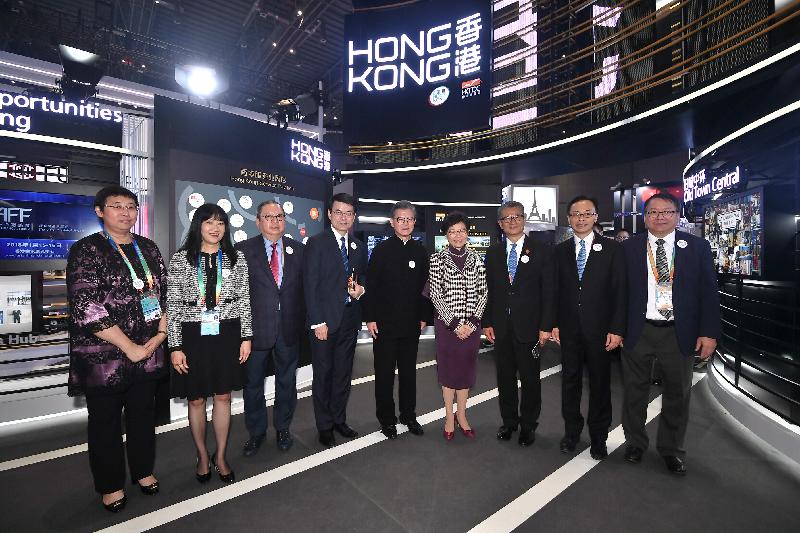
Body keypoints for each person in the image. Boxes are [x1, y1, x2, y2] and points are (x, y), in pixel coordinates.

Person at [66, 185, 167, 513]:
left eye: (131, 207)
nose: (126, 213)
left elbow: (164, 294)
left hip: (148, 350)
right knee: (105, 423)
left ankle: (142, 471)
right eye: (117, 206)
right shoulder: (86, 250)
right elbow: (86, 307)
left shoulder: (148, 249)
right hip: (104, 357)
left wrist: (162, 332)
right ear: (100, 211)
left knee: (142, 416)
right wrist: (129, 347)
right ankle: (110, 485)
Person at [621, 192, 720, 475]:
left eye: (666, 212)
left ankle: (671, 450)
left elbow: (708, 293)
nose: (660, 217)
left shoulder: (697, 247)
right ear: (645, 217)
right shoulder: (629, 248)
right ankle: (635, 443)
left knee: (678, 394)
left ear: (677, 216)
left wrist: (709, 332)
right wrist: (616, 329)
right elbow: (618, 293)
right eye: (653, 212)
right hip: (638, 330)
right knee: (634, 392)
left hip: (679, 332)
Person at [167, 203, 252, 484]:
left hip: (227, 333)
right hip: (192, 335)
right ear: (198, 226)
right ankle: (202, 455)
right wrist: (175, 346)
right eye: (209, 223)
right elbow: (174, 305)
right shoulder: (181, 260)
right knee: (196, 399)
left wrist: (246, 337)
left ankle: (221, 456)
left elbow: (244, 302)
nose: (215, 228)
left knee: (223, 396)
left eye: (220, 223)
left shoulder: (236, 258)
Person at [551, 196, 626, 460]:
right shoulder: (559, 252)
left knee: (600, 384)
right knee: (569, 383)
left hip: (601, 331)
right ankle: (571, 432)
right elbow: (554, 292)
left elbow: (620, 292)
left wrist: (617, 329)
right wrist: (554, 324)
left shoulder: (613, 249)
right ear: (569, 219)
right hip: (568, 330)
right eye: (575, 214)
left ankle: (598, 437)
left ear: (596, 217)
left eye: (586, 213)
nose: (581, 219)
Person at [483, 201, 555, 446]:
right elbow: (489, 291)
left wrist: (546, 326)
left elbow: (549, 292)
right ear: (500, 224)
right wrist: (487, 321)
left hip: (530, 329)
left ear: (524, 219)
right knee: (505, 379)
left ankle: (528, 426)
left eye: (517, 217)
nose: (512, 221)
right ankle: (509, 422)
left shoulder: (542, 250)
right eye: (506, 218)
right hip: (501, 328)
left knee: (531, 380)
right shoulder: (493, 253)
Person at [237, 200, 305, 456]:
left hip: (288, 328)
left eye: (279, 216)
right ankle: (256, 432)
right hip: (255, 331)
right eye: (269, 217)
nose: (275, 221)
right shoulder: (242, 250)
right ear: (258, 221)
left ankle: (283, 428)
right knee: (252, 384)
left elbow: (305, 290)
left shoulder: (299, 250)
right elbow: (238, 294)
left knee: (287, 382)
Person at [303, 192, 367, 447]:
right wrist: (317, 321)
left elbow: (363, 278)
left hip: (350, 320)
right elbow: (310, 284)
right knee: (324, 375)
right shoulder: (316, 243)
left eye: (348, 213)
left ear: (354, 217)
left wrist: (362, 290)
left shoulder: (358, 246)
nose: (343, 217)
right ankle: (324, 425)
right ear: (329, 214)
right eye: (338, 212)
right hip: (324, 323)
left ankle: (339, 419)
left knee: (343, 374)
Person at [364, 201, 431, 439]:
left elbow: (426, 287)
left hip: (411, 324)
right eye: (400, 219)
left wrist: (424, 316)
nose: (405, 223)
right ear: (392, 222)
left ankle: (408, 415)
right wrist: (370, 318)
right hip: (384, 324)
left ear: (414, 222)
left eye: (409, 219)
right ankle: (387, 419)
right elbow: (371, 287)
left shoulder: (420, 251)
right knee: (383, 374)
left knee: (408, 373)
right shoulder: (381, 251)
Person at [429, 212, 488, 440]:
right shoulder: (437, 259)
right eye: (452, 231)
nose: (457, 235)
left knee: (465, 372)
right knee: (448, 373)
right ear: (446, 234)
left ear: (467, 233)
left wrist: (472, 323)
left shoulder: (476, 259)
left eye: (461, 230)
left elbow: (483, 292)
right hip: (447, 327)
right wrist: (454, 324)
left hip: (471, 328)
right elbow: (436, 294)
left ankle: (462, 416)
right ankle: (448, 418)